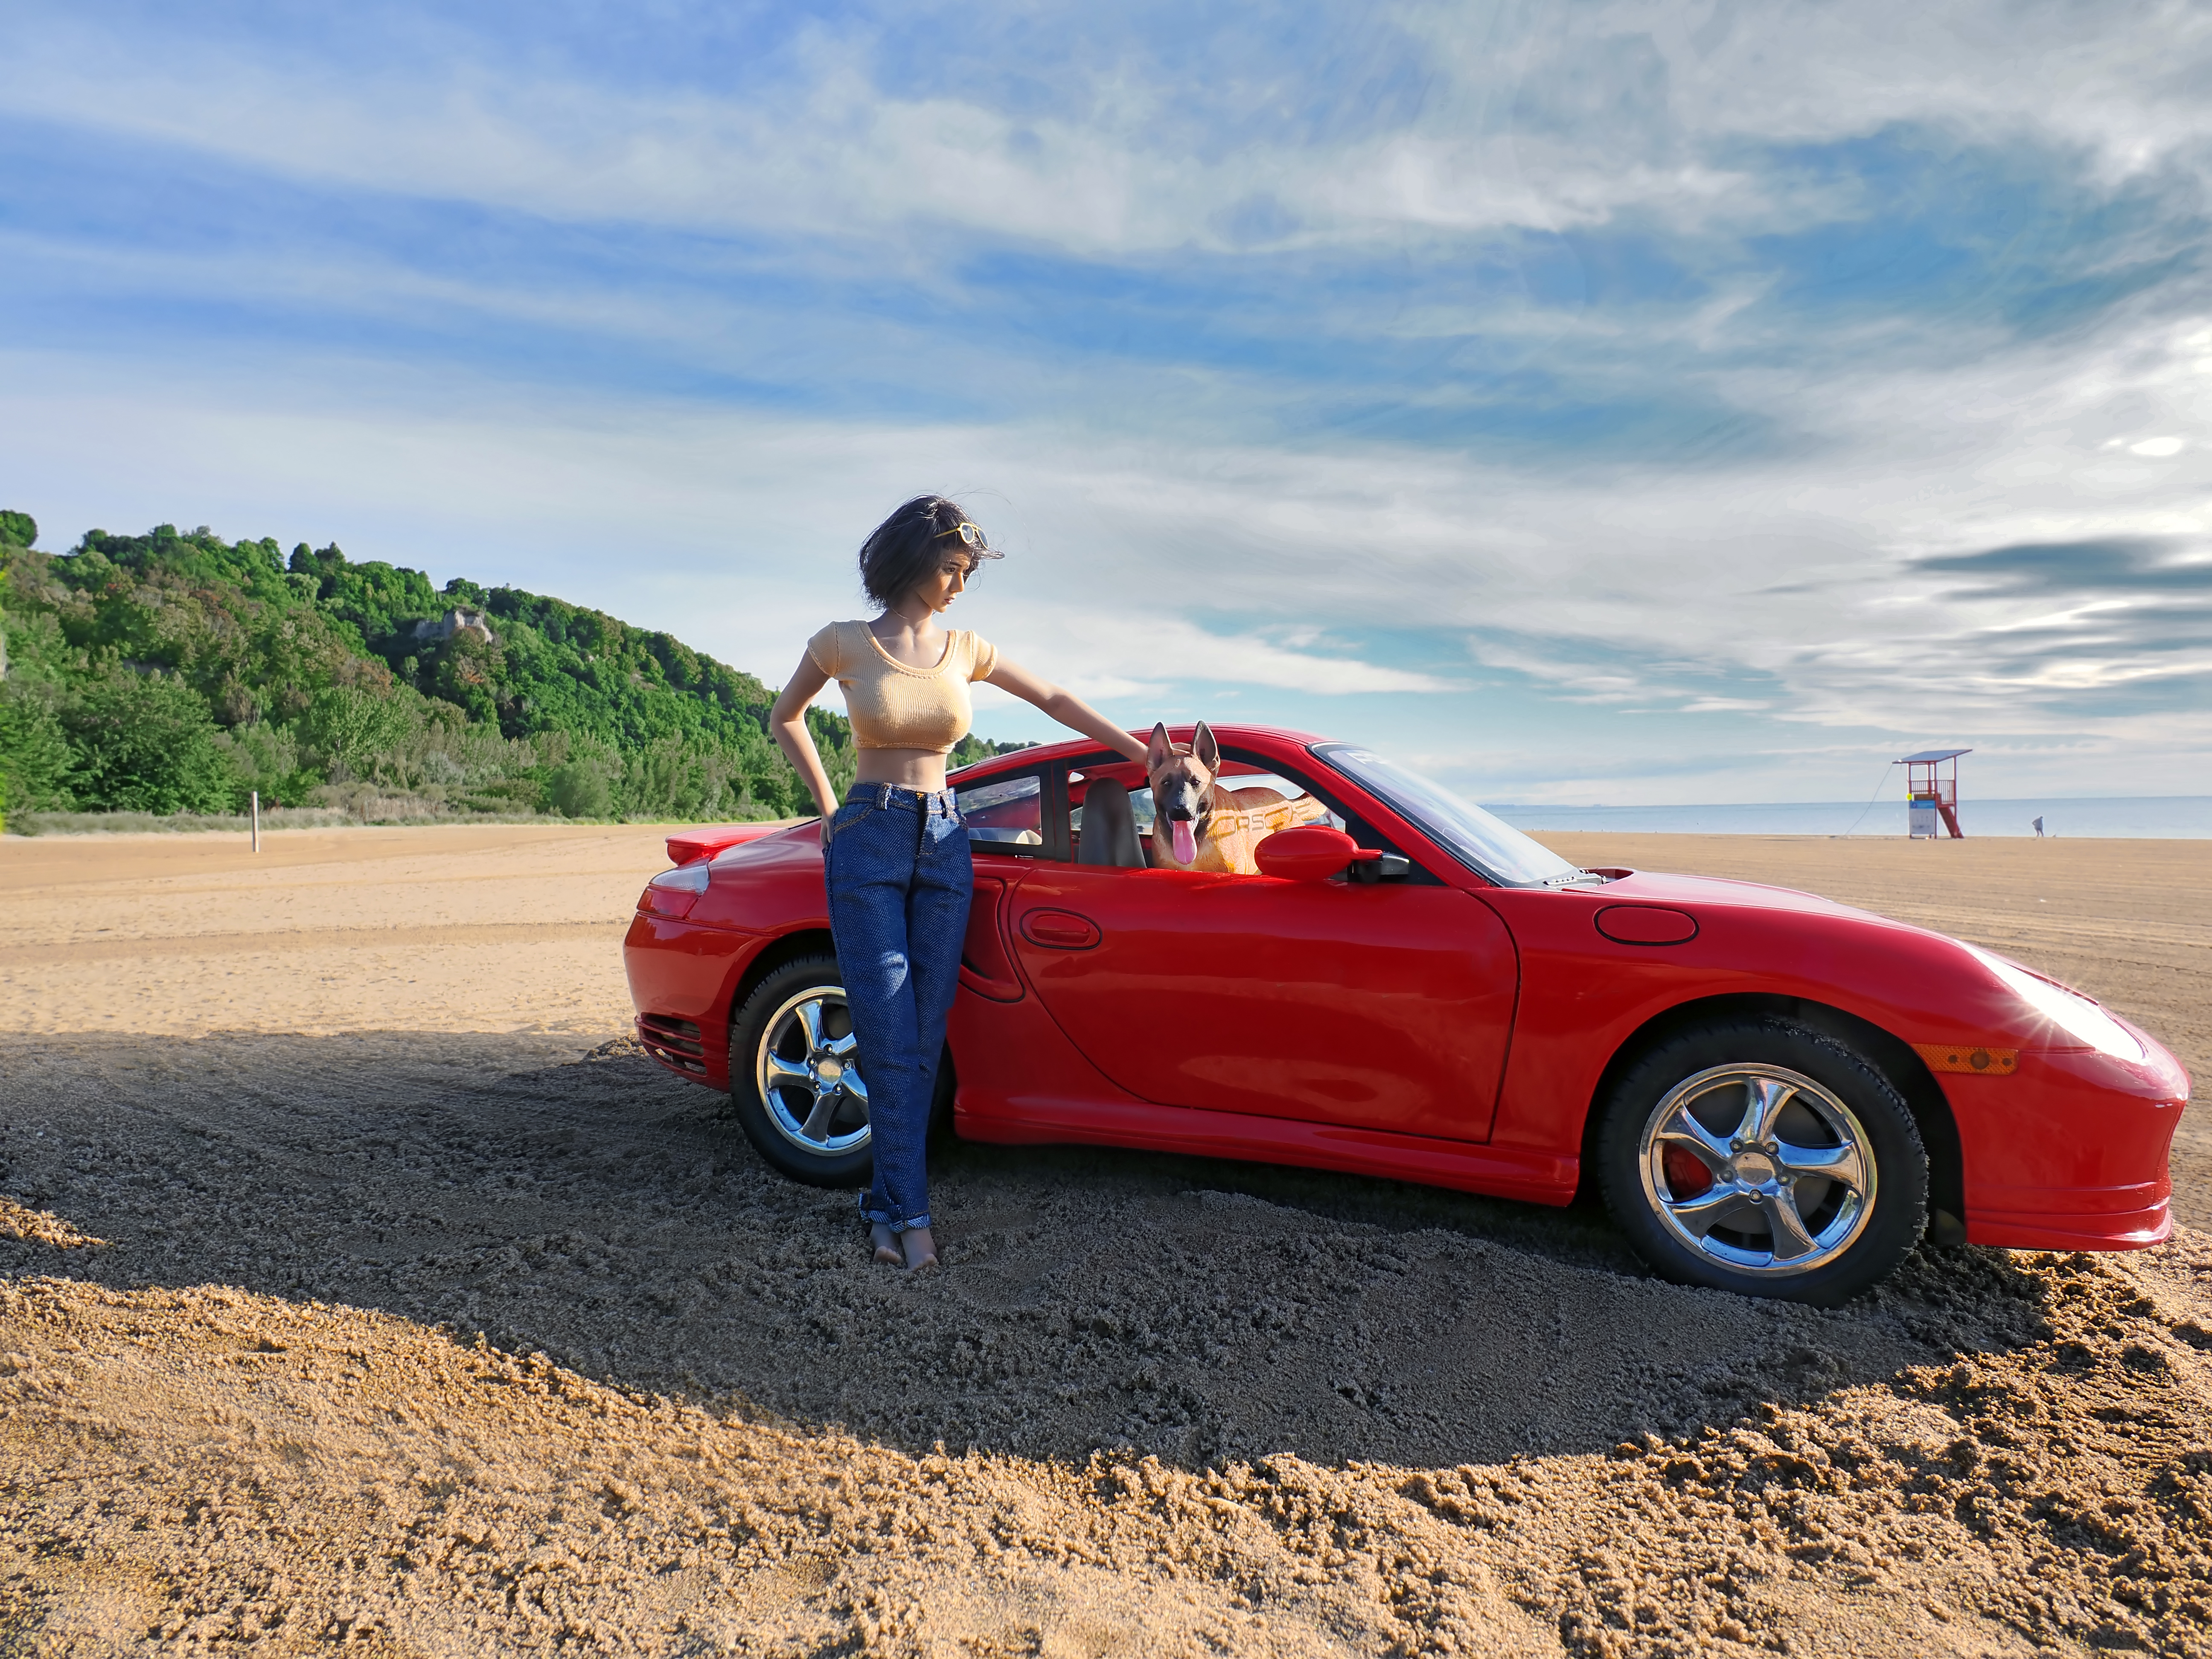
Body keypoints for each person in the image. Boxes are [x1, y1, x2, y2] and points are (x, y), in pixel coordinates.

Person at [769, 496, 1150, 1272]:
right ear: (913, 562)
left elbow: (1054, 700)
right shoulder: (844, 642)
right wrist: (830, 808)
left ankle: (888, 1205)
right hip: (868, 836)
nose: (960, 586)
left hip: (947, 842)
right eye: (952, 569)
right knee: (886, 1028)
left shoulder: (967, 648)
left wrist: (1145, 755)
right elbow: (787, 717)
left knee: (924, 1034)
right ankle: (911, 1218)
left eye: (968, 573)